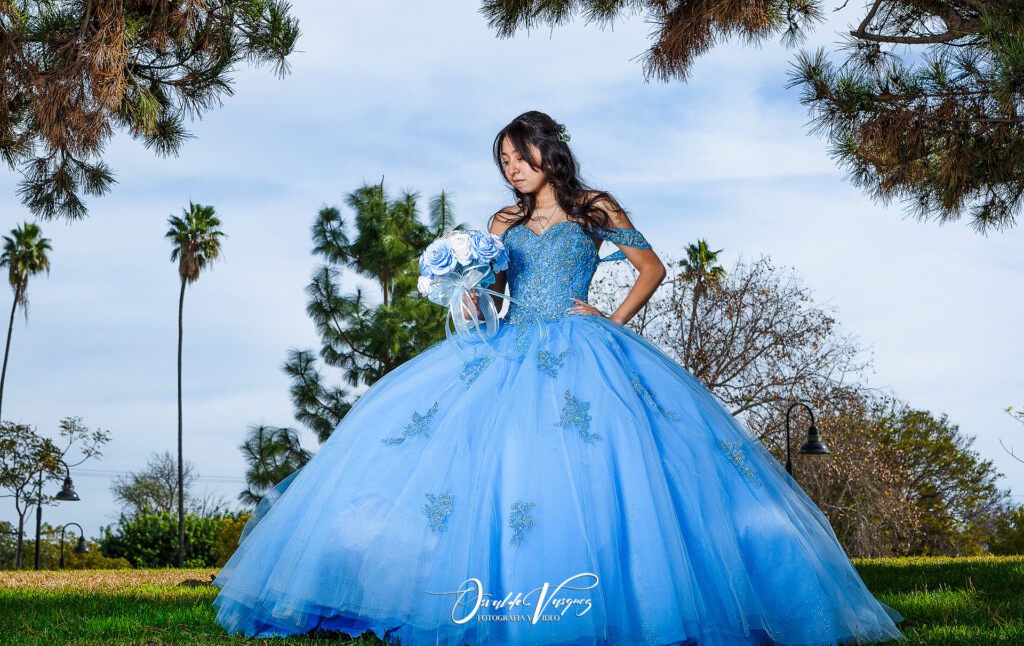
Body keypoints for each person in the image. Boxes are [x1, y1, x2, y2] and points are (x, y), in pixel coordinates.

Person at [212, 110, 907, 645]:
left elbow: (652, 268)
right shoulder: (501, 221)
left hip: (583, 348)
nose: (513, 169)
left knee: (604, 472)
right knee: (509, 475)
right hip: (509, 352)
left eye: (521, 155)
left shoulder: (593, 208)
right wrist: (469, 294)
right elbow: (489, 296)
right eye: (504, 161)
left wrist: (609, 319)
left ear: (549, 150)